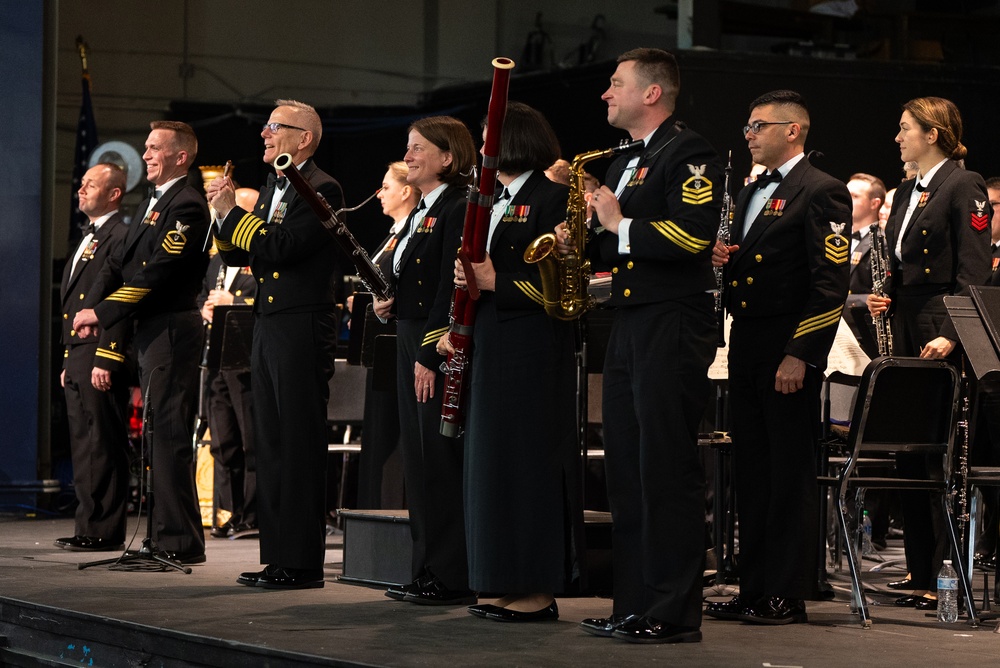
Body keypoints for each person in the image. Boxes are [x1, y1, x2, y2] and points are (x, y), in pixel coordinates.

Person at [558, 47, 722, 644]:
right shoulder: (631, 157)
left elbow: (691, 236)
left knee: (664, 468)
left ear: (652, 93)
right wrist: (580, 235)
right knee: (626, 470)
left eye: (615, 83)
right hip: (630, 321)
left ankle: (673, 611)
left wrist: (617, 224)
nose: (605, 93)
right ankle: (632, 602)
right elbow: (616, 242)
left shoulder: (690, 152)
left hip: (671, 321)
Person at [708, 90, 851, 625]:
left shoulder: (822, 190)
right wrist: (726, 256)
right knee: (752, 470)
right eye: (747, 125)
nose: (748, 134)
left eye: (758, 125)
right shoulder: (749, 189)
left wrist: (801, 354)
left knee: (786, 472)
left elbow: (830, 283)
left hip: (787, 345)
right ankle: (753, 588)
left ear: (793, 130)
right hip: (746, 339)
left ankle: (785, 593)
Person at [442, 102, 576, 622]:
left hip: (532, 348)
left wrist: (499, 283)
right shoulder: (491, 199)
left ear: (515, 139)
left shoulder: (553, 197)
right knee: (491, 465)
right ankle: (498, 579)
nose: (481, 149)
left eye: (488, 137)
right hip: (491, 344)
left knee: (526, 465)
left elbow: (567, 289)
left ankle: (537, 591)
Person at [207, 99, 345, 589]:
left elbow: (283, 247)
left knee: (298, 443)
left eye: (275, 127)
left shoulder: (322, 187)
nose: (264, 134)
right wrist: (223, 218)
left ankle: (303, 562)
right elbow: (244, 250)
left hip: (301, 325)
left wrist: (234, 217)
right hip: (267, 322)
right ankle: (279, 556)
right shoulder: (273, 185)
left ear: (303, 138)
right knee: (271, 443)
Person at [868, 97, 991, 610]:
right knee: (906, 453)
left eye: (904, 129)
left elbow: (974, 270)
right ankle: (919, 571)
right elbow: (901, 264)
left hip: (940, 328)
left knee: (939, 457)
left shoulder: (964, 184)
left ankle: (941, 573)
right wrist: (886, 295)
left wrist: (954, 334)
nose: (897, 138)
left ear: (933, 134)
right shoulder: (903, 190)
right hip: (904, 321)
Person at [73, 121, 210, 564]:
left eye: (155, 148)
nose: (146, 155)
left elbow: (159, 271)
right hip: (152, 329)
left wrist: (105, 311)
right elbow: (126, 266)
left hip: (172, 326)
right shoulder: (153, 203)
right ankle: (161, 536)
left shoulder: (187, 203)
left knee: (169, 432)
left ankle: (178, 541)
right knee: (156, 433)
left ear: (180, 157)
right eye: (147, 147)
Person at [372, 116, 477, 606]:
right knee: (417, 460)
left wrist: (430, 354)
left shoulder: (456, 205)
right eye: (407, 147)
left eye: (418, 149)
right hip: (407, 334)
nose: (408, 156)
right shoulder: (422, 209)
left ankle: (450, 574)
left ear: (448, 158)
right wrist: (384, 302)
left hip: (431, 346)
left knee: (436, 460)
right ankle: (426, 568)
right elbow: (411, 278)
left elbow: (448, 285)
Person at [55, 163, 133, 553]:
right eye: (81, 183)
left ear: (114, 193)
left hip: (101, 350)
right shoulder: (89, 237)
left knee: (103, 440)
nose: (80, 190)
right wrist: (69, 358)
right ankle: (88, 523)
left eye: (90, 185)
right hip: (79, 353)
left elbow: (121, 299)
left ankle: (104, 529)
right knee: (83, 441)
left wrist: (107, 356)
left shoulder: (121, 235)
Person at [354, 162, 418, 510]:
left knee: (391, 442)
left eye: (386, 186)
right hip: (378, 346)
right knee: (378, 440)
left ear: (407, 190)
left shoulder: (411, 231)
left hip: (397, 343)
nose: (380, 194)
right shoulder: (393, 234)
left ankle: (388, 512)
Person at [197, 186, 260, 540]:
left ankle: (252, 515)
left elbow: (270, 303)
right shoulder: (218, 257)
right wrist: (205, 311)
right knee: (222, 441)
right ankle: (231, 512)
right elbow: (201, 298)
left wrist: (233, 299)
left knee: (252, 440)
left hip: (248, 360)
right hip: (218, 357)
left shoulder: (262, 254)